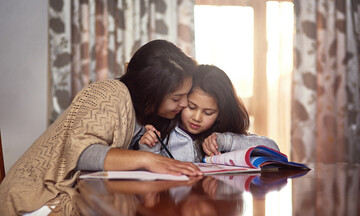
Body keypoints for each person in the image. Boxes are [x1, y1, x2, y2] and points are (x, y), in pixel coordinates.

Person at [0, 39, 203, 216]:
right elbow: (81, 153)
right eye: (177, 98)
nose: (184, 103)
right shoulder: (110, 92)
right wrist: (147, 159)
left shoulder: (144, 119)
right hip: (34, 200)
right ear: (150, 90)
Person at [138, 64, 279, 162]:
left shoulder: (222, 136)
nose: (197, 118)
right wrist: (150, 149)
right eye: (191, 107)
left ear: (221, 114)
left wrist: (226, 141)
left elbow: (273, 149)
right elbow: (150, 176)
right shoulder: (163, 132)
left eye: (208, 112)